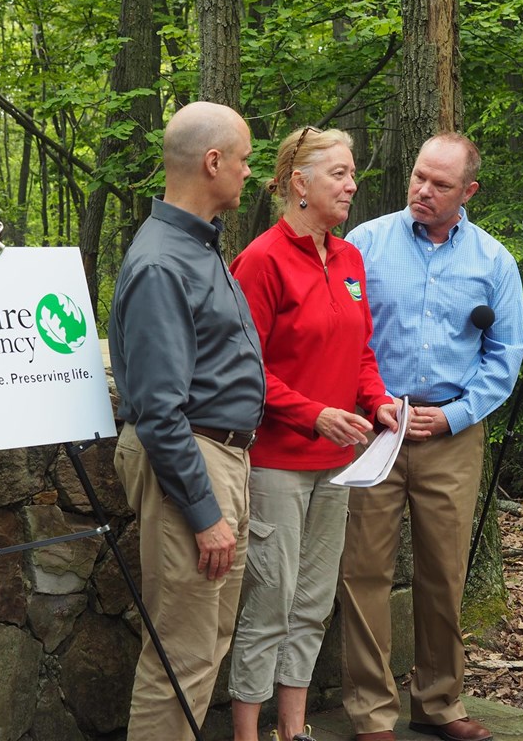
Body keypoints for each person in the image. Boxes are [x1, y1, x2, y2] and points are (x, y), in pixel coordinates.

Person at [338, 133, 523, 741]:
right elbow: (343, 334)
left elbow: (505, 356)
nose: (423, 190)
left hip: (451, 432)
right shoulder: (364, 244)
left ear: (468, 191)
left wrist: (454, 415)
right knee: (363, 571)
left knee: (444, 572)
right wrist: (370, 404)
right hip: (374, 428)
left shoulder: (493, 262)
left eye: (440, 184)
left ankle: (440, 702)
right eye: (419, 176)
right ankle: (370, 712)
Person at [227, 126, 399, 741]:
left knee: (312, 602)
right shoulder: (261, 260)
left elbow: (360, 353)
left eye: (352, 174)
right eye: (339, 174)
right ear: (300, 184)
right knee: (269, 603)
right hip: (276, 462)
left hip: (340, 464)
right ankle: (248, 731)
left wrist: (377, 402)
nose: (352, 185)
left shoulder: (350, 257)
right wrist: (311, 413)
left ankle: (293, 730)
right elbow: (244, 369)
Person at [108, 101, 266, 740]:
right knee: (183, 653)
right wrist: (204, 512)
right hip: (193, 464)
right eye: (246, 160)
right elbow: (158, 410)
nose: (250, 173)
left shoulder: (195, 247)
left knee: (206, 644)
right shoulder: (161, 264)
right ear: (213, 162)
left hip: (220, 457)